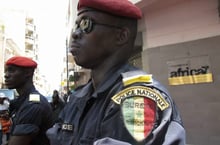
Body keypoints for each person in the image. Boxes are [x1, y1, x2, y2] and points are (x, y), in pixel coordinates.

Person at [47, 0, 186, 144]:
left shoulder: (136, 97)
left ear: (121, 36)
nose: (75, 34)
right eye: (76, 25)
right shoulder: (79, 97)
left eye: (86, 24)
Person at [4, 56, 53, 145]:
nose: (6, 75)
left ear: (27, 73)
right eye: (6, 71)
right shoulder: (22, 101)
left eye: (11, 70)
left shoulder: (33, 104)